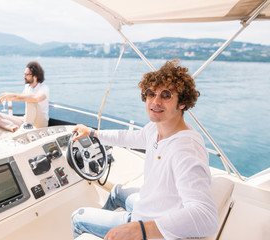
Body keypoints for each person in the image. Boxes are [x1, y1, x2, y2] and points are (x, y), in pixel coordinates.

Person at [71, 59, 218, 240]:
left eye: (166, 95)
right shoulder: (156, 128)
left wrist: (139, 229)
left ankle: (106, 231)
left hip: (153, 227)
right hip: (149, 209)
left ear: (183, 103)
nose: (155, 101)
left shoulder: (185, 149)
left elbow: (206, 217)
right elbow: (128, 137)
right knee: (117, 191)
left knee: (78, 218)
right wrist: (93, 133)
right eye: (151, 94)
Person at [0, 61, 49, 132]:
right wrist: (5, 98)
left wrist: (12, 95)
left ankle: (26, 128)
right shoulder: (27, 87)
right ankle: (16, 129)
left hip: (40, 123)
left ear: (35, 76)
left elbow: (37, 98)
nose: (24, 76)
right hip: (26, 120)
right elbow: (20, 97)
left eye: (26, 74)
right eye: (24, 74)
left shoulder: (44, 88)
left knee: (30, 100)